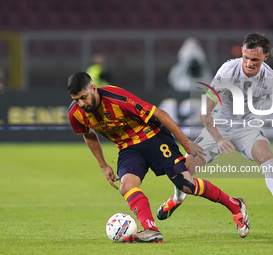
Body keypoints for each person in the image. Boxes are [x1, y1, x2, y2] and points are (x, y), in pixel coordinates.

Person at [67, 72, 251, 243]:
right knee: (127, 186)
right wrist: (103, 165)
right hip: (128, 148)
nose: (81, 103)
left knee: (186, 185)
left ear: (93, 88)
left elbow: (160, 114)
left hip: (153, 136)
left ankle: (236, 205)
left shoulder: (117, 98)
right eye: (76, 100)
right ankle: (150, 229)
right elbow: (89, 134)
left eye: (83, 97)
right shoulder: (75, 114)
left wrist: (186, 143)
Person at [157, 33, 273, 232]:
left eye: (255, 60)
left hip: (248, 126)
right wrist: (218, 138)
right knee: (184, 171)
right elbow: (205, 111)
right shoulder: (227, 71)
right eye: (246, 58)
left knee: (269, 159)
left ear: (265, 57)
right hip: (219, 124)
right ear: (242, 52)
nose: (249, 63)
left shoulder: (271, 80)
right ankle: (177, 198)